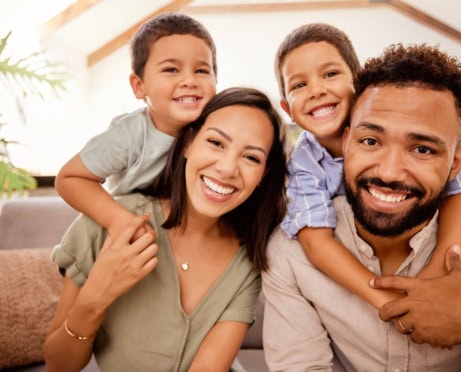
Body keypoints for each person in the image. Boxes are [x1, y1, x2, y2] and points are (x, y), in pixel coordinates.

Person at [262, 44, 461, 371]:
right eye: (371, 141)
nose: (388, 172)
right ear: (347, 142)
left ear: (457, 161)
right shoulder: (291, 253)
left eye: (422, 149)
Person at [43, 87, 288, 371]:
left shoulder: (249, 257)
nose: (227, 168)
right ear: (188, 144)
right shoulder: (103, 225)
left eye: (251, 158)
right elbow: (59, 365)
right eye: (216, 143)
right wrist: (97, 293)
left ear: (264, 175)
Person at [274, 23, 461, 308]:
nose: (316, 90)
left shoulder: (426, 126)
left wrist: (438, 272)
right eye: (299, 85)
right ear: (287, 108)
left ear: (358, 82)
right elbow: (315, 242)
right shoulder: (302, 163)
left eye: (330, 74)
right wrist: (384, 300)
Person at [55, 12, 218, 241]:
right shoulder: (130, 134)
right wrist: (119, 220)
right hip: (130, 233)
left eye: (201, 70)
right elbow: (69, 178)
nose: (189, 80)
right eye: (171, 69)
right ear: (139, 86)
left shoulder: (217, 132)